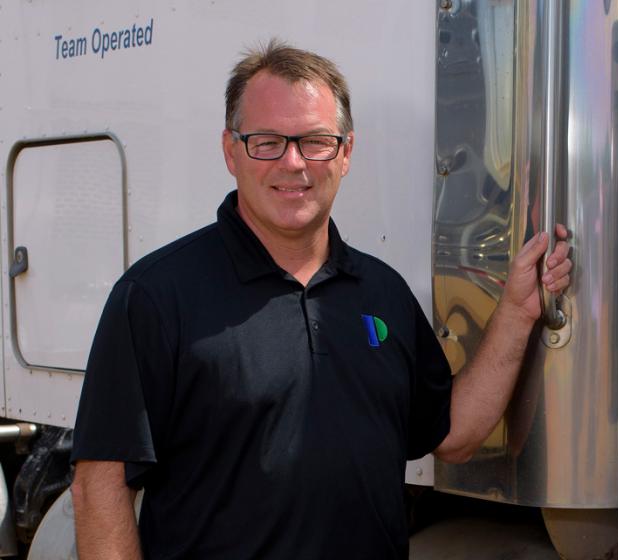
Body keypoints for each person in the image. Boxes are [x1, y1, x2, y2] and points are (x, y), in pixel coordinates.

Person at [69, 40, 571, 559]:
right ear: (230, 151)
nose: (293, 163)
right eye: (267, 141)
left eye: (315, 142)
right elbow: (100, 485)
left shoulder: (383, 294)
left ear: (346, 152)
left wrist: (517, 311)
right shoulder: (155, 297)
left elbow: (455, 434)